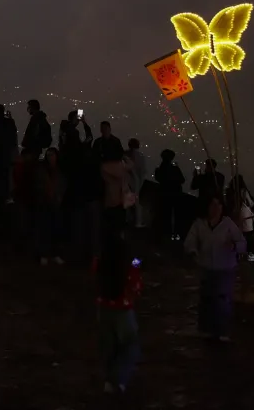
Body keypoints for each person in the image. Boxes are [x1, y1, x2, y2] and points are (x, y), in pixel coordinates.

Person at [184, 196, 246, 342]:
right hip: (206, 266)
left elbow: (242, 242)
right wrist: (193, 251)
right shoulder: (199, 225)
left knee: (222, 300)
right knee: (206, 299)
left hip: (225, 267)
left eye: (218, 205)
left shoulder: (228, 224)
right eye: (212, 205)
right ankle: (206, 329)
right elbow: (190, 242)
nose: (216, 208)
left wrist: (234, 246)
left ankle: (223, 330)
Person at [95, 221, 142, 394]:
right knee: (130, 345)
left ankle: (109, 380)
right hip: (122, 308)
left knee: (109, 346)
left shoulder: (101, 255)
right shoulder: (128, 256)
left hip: (103, 307)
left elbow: (95, 274)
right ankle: (119, 379)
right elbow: (135, 276)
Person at [34, 147, 66, 265]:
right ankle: (45, 253)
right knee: (46, 230)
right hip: (46, 203)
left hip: (54, 203)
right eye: (49, 155)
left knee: (54, 229)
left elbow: (62, 186)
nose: (50, 157)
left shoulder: (57, 171)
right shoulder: (44, 171)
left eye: (52, 155)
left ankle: (54, 253)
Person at [0, 105, 18, 204]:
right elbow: (13, 133)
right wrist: (10, 118)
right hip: (5, 154)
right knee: (5, 176)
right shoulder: (9, 122)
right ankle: (5, 197)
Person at [154, 149, 186, 242]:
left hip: (164, 195)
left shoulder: (161, 168)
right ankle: (175, 235)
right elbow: (182, 180)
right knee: (176, 216)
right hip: (176, 195)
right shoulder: (174, 168)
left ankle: (163, 234)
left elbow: (159, 178)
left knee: (164, 215)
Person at [126, 139, 147, 227]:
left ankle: (127, 219)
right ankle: (137, 222)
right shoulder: (140, 156)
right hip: (136, 182)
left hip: (126, 181)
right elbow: (142, 171)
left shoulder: (125, 154)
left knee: (126, 202)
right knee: (136, 203)